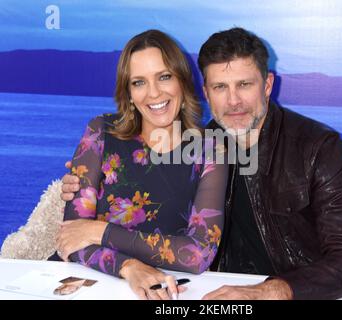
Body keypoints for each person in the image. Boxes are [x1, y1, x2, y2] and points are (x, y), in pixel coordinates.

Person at [61, 27, 342, 300]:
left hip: (324, 293)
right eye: (220, 87)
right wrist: (88, 188)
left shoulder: (319, 149)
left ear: (268, 85)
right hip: (227, 291)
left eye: (244, 84)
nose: (234, 100)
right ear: (206, 93)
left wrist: (271, 291)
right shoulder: (202, 146)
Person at [54, 29, 228, 300]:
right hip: (85, 285)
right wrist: (129, 267)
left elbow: (198, 255)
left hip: (166, 291)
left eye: (164, 77)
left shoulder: (210, 150)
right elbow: (70, 240)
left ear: (182, 80)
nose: (153, 93)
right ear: (129, 93)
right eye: (139, 82)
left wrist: (101, 232)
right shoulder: (100, 132)